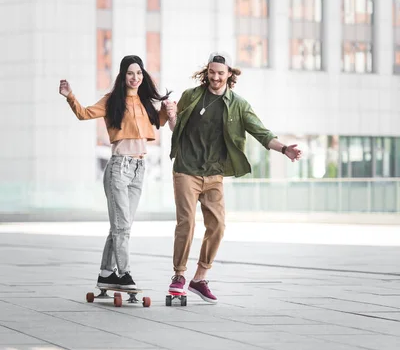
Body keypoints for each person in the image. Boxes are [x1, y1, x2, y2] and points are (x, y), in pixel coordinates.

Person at [164, 52, 302, 304]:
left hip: (215, 173)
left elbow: (261, 132)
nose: (215, 77)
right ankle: (179, 276)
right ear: (207, 72)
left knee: (217, 226)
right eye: (212, 72)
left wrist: (284, 149)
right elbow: (176, 129)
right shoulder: (191, 96)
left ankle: (199, 278)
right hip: (186, 169)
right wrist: (172, 115)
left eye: (220, 73)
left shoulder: (238, 105)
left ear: (229, 74)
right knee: (187, 223)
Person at [59, 55, 176, 291]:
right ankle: (124, 274)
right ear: (123, 76)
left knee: (121, 225)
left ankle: (105, 273)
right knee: (122, 226)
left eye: (139, 73)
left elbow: (157, 123)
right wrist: (70, 96)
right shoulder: (112, 101)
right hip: (119, 168)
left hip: (139, 169)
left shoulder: (144, 102)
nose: (135, 78)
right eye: (131, 73)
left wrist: (168, 109)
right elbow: (84, 113)